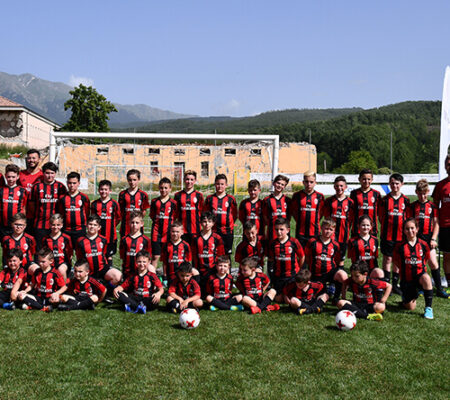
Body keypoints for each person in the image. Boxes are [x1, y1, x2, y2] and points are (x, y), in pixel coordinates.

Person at [409, 179, 448, 298]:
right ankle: (420, 287)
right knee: (418, 264)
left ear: (428, 192)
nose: (422, 196)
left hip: (428, 239)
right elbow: (410, 223)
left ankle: (439, 289)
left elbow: (436, 223)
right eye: (420, 193)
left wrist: (434, 239)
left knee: (434, 263)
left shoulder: (432, 206)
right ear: (416, 192)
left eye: (424, 193)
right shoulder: (413, 206)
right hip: (416, 240)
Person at [394, 218, 435, 319]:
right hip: (407, 280)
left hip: (419, 277)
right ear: (404, 231)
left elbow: (425, 259)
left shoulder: (423, 245)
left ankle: (428, 308)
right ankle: (405, 299)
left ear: (417, 229)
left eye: (412, 228)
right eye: (407, 229)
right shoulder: (399, 246)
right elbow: (396, 262)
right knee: (410, 307)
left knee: (426, 278)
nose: (410, 231)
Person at [378, 173, 410, 295]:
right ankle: (387, 283)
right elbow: (381, 217)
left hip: (401, 235)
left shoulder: (405, 200)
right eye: (392, 183)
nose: (394, 186)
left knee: (397, 259)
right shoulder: (385, 200)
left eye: (397, 183)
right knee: (387, 258)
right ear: (389, 184)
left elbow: (407, 217)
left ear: (401, 184)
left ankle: (395, 284)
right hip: (387, 235)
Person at [305, 218, 348, 302]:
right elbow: (307, 257)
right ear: (321, 228)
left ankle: (340, 298)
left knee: (343, 275)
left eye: (331, 229)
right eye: (326, 228)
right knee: (317, 298)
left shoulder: (335, 245)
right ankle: (324, 290)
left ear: (334, 231)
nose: (328, 231)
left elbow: (337, 259)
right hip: (315, 274)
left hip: (329, 273)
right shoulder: (312, 242)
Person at [13, 248, 66, 312]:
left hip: (49, 298)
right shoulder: (37, 271)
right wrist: (25, 291)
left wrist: (56, 293)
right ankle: (42, 308)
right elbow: (32, 285)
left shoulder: (55, 273)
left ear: (51, 261)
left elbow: (64, 287)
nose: (40, 263)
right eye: (39, 261)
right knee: (20, 295)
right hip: (38, 298)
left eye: (43, 262)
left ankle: (33, 306)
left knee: (56, 299)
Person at [28, 162, 67, 249]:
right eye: (47, 173)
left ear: (55, 174)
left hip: (55, 226)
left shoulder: (61, 187)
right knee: (40, 250)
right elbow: (31, 205)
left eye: (52, 173)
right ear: (43, 173)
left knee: (55, 249)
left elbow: (64, 205)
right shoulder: (37, 187)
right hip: (40, 225)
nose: (50, 176)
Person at [76, 214, 122, 286]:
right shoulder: (80, 241)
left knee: (117, 276)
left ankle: (107, 288)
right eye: (90, 224)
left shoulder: (103, 240)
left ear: (99, 227)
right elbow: (79, 258)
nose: (92, 227)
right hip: (88, 272)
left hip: (102, 269)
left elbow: (104, 254)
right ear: (86, 225)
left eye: (95, 225)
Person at [267, 217, 305, 301]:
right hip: (279, 277)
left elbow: (302, 256)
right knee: (278, 299)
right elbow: (271, 260)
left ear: (288, 230)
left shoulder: (294, 242)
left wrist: (298, 269)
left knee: (288, 300)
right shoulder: (273, 244)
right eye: (276, 230)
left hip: (291, 276)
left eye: (281, 229)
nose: (279, 232)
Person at [323, 175, 354, 268]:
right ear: (334, 187)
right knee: (330, 256)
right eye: (337, 186)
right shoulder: (329, 201)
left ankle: (339, 278)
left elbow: (351, 219)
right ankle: (331, 277)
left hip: (343, 234)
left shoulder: (350, 202)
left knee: (341, 258)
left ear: (345, 187)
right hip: (331, 234)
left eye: (341, 186)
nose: (339, 188)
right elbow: (326, 217)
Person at [90, 179, 121, 267]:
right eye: (102, 189)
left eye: (106, 189)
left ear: (110, 190)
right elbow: (92, 219)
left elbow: (118, 218)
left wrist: (112, 226)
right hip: (97, 235)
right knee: (98, 254)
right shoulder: (94, 204)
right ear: (98, 190)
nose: (103, 191)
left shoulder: (114, 204)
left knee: (109, 255)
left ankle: (109, 271)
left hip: (110, 235)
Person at [204, 174, 238, 255]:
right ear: (215, 184)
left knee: (226, 255)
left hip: (227, 232)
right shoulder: (210, 198)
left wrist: (227, 223)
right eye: (218, 184)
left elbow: (234, 215)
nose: (220, 186)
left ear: (226, 185)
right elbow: (206, 214)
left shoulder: (231, 199)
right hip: (213, 231)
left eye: (222, 184)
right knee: (213, 254)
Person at [192, 211, 225, 291]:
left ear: (213, 223)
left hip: (212, 270)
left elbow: (221, 255)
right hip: (199, 270)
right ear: (201, 222)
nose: (207, 224)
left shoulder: (217, 238)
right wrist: (194, 268)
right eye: (204, 222)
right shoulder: (195, 238)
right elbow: (193, 255)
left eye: (209, 222)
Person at [150, 177, 177, 267]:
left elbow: (175, 217)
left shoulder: (173, 203)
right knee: (155, 256)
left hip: (168, 233)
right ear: (159, 188)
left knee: (166, 256)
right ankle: (153, 276)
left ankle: (165, 278)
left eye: (166, 188)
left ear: (170, 189)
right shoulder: (154, 202)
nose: (163, 190)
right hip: (156, 232)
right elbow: (152, 215)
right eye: (161, 188)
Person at [58, 171, 90, 248]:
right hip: (66, 230)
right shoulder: (62, 198)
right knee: (67, 253)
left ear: (79, 183)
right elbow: (61, 213)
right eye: (70, 183)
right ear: (67, 183)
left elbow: (87, 212)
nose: (72, 185)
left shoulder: (84, 197)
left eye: (74, 183)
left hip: (80, 230)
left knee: (81, 254)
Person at [432, 155, 450, 288]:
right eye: (448, 164)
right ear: (445, 166)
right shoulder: (440, 185)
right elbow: (435, 208)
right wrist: (436, 224)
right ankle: (449, 280)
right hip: (445, 225)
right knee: (447, 255)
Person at [161, 221, 197, 285]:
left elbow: (188, 262)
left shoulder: (185, 245)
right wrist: (165, 276)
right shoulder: (166, 245)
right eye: (173, 231)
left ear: (182, 233)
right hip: (170, 274)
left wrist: (187, 274)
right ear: (170, 232)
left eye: (177, 232)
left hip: (182, 274)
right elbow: (164, 262)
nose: (175, 234)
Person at [174, 170, 204, 246]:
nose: (189, 182)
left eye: (191, 179)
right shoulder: (178, 195)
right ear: (184, 180)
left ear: (195, 181)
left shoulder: (199, 195)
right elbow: (175, 213)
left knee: (194, 254)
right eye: (187, 179)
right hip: (182, 230)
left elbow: (201, 211)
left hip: (195, 230)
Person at [119, 210, 152, 280]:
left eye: (137, 223)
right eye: (132, 222)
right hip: (127, 271)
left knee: (152, 269)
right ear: (129, 223)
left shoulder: (146, 240)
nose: (134, 225)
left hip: (141, 270)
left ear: (142, 224)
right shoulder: (124, 239)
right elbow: (122, 256)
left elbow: (149, 257)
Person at [118, 169, 150, 238]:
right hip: (125, 226)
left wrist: (137, 219)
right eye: (130, 180)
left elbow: (144, 211)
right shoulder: (122, 194)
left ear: (138, 179)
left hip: (138, 227)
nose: (132, 182)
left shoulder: (143, 195)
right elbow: (120, 211)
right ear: (127, 180)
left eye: (134, 180)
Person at [350, 168, 381, 236]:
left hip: (372, 230)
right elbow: (351, 212)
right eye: (364, 179)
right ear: (359, 179)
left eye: (369, 179)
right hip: (357, 230)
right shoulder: (354, 193)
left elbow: (379, 212)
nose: (366, 181)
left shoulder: (376, 194)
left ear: (372, 180)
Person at [0, 164, 28, 241]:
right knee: (5, 247)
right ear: (5, 176)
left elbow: (24, 207)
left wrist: (23, 223)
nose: (11, 179)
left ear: (18, 177)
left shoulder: (22, 191)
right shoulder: (1, 190)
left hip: (17, 226)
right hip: (3, 226)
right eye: (9, 177)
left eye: (13, 177)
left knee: (16, 247)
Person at [42, 214, 73, 281]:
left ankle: (64, 288)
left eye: (58, 225)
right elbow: (44, 254)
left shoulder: (66, 238)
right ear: (50, 225)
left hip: (63, 263)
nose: (55, 227)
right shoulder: (46, 239)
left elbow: (70, 253)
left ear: (62, 225)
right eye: (53, 225)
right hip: (50, 264)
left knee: (61, 270)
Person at [18, 149, 43, 234]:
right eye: (29, 158)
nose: (31, 160)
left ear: (39, 159)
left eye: (34, 158)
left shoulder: (44, 176)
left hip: (39, 216)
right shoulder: (20, 175)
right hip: (23, 215)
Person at [262, 174, 291, 245]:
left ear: (284, 186)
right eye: (278, 183)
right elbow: (265, 216)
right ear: (273, 183)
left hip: (284, 232)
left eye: (282, 184)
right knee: (271, 253)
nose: (279, 186)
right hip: (272, 231)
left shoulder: (288, 200)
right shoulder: (267, 200)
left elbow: (290, 216)